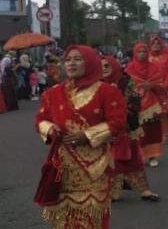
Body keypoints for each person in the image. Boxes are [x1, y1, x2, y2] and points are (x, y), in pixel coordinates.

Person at [34, 45, 126, 228]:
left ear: (90, 62)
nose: (71, 63)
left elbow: (118, 122)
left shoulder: (107, 91)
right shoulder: (52, 93)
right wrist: (50, 129)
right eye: (68, 59)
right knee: (63, 216)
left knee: (90, 215)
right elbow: (41, 119)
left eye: (77, 59)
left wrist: (87, 135)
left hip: (95, 166)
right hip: (63, 166)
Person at [102, 56, 160, 202]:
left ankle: (144, 190)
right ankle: (112, 192)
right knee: (111, 160)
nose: (104, 69)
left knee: (133, 159)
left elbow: (135, 102)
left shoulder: (126, 81)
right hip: (105, 130)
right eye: (101, 66)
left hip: (127, 126)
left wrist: (116, 98)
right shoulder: (97, 84)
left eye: (107, 66)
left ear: (114, 66)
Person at [125, 43, 167, 168]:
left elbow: (161, 85)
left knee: (152, 130)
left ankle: (152, 155)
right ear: (135, 53)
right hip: (135, 104)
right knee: (136, 130)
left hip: (151, 105)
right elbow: (126, 86)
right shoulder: (129, 69)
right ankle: (139, 156)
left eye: (144, 51)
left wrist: (151, 86)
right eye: (139, 52)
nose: (142, 54)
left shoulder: (154, 68)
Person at [148, 37, 168, 142]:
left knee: (166, 112)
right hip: (152, 88)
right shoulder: (148, 56)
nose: (156, 45)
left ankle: (166, 133)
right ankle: (157, 134)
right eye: (153, 43)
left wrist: (166, 84)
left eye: (158, 43)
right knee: (154, 113)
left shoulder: (166, 57)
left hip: (165, 88)